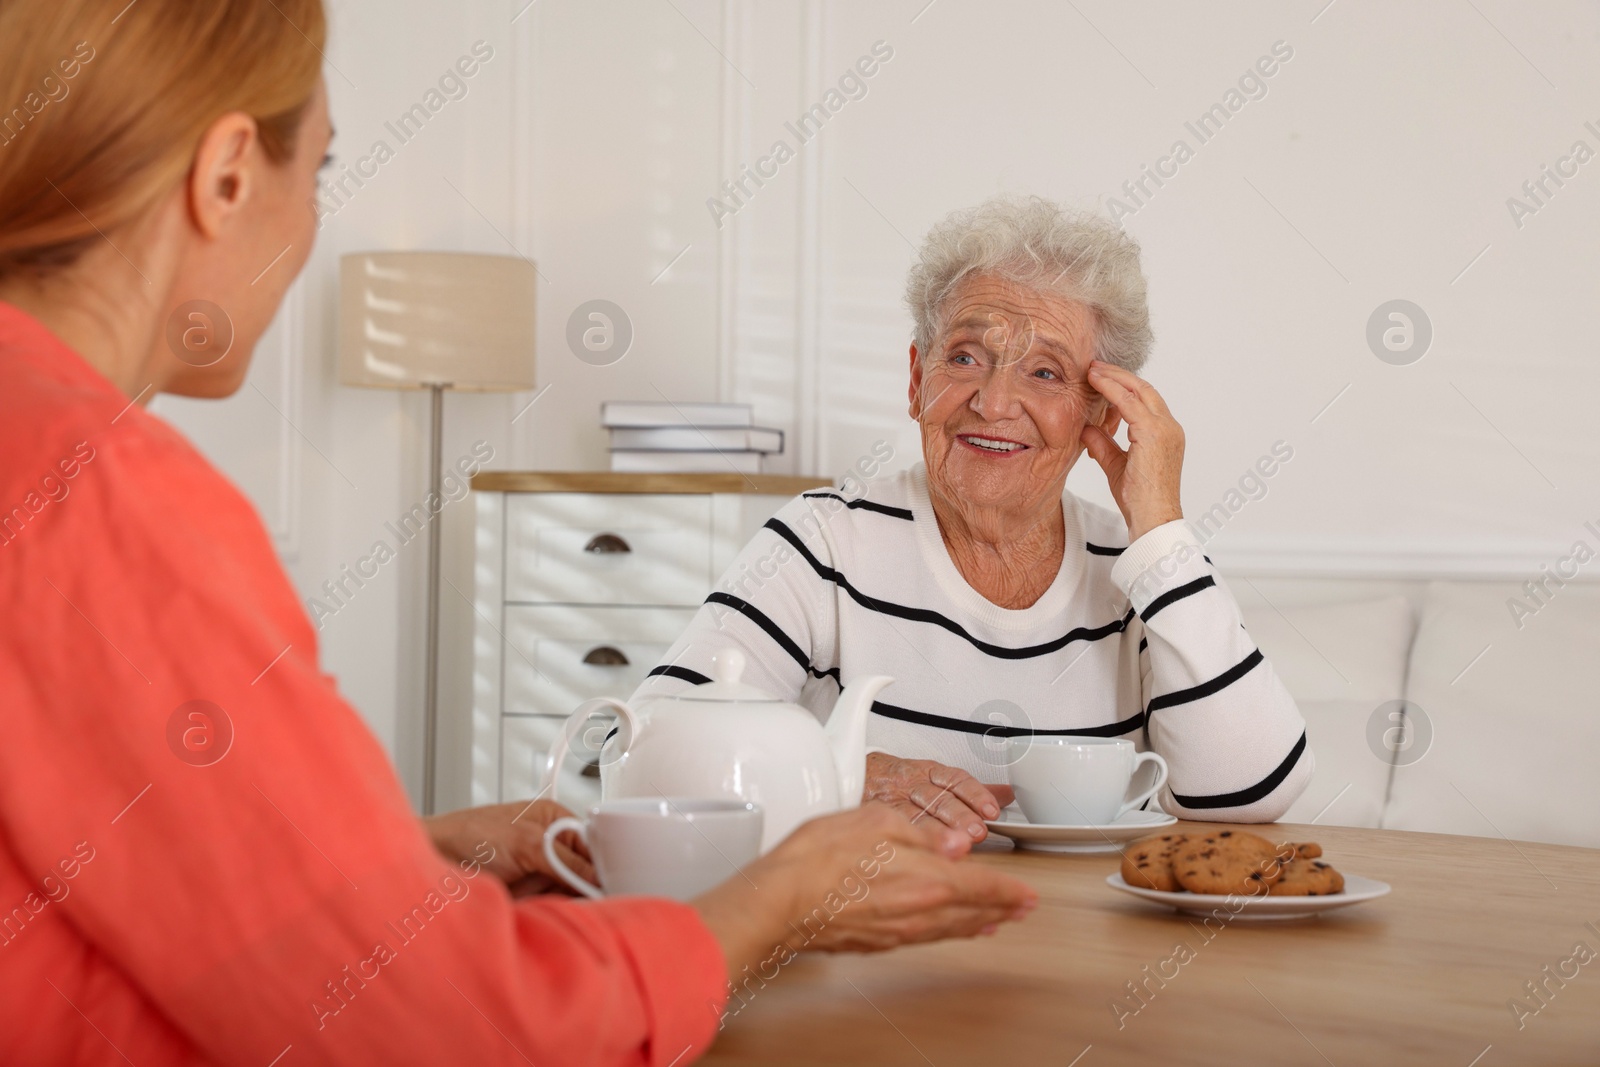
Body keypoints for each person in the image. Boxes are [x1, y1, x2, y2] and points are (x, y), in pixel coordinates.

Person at [0, 2, 1036, 1063]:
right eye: (316, 172)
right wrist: (781, 901)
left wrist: (391, 861)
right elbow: (451, 1030)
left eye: (1044, 372)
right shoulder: (99, 496)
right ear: (225, 176)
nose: (998, 401)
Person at [633, 195, 1313, 839]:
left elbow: (1249, 792)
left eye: (1045, 372)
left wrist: (1161, 526)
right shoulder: (826, 542)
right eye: (965, 358)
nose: (992, 402)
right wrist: (842, 775)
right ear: (916, 379)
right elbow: (639, 758)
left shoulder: (1139, 572)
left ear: (1100, 410)